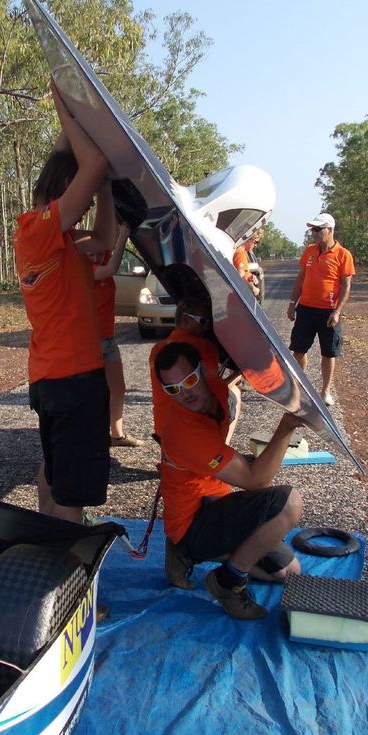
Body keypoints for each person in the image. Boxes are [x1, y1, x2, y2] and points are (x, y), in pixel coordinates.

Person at [14, 80, 115, 525]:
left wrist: (106, 187)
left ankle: (44, 539)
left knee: (54, 475)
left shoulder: (55, 242)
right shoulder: (37, 228)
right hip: (72, 381)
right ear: (63, 192)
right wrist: (63, 106)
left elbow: (107, 238)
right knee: (70, 495)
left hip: (56, 379)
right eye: (83, 195)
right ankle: (67, 578)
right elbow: (89, 163)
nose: (86, 202)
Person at [152, 340, 304, 621]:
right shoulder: (185, 432)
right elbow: (255, 480)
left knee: (288, 572)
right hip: (192, 521)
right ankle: (225, 581)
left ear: (202, 371)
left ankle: (223, 560)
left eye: (189, 380)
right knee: (289, 503)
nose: (184, 393)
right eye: (172, 389)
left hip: (215, 499)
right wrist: (286, 426)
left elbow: (247, 375)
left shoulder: (219, 390)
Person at [287, 212, 355, 407]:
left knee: (328, 353)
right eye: (312, 229)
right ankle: (300, 386)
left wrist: (337, 311)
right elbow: (300, 278)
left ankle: (325, 391)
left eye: (318, 229)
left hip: (329, 312)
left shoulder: (343, 255)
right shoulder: (309, 251)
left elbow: (346, 285)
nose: (314, 233)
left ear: (330, 230)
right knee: (298, 350)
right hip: (306, 309)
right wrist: (293, 302)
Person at [149, 296, 237, 440]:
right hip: (193, 430)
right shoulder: (204, 347)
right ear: (185, 319)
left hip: (163, 429)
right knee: (234, 393)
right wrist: (239, 374)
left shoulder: (157, 349)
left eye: (208, 322)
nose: (206, 327)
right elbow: (214, 389)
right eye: (203, 321)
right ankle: (221, 447)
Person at [89, 223, 143, 447]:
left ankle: (116, 434)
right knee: (92, 392)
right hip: (91, 342)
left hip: (107, 341)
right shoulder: (87, 271)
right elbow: (111, 268)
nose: (96, 255)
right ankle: (91, 435)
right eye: (90, 252)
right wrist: (124, 235)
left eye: (99, 251)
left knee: (118, 388)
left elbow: (105, 237)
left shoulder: (103, 258)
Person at [233, 230, 262, 298]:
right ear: (248, 239)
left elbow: (242, 273)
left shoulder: (239, 251)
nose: (255, 245)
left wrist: (250, 275)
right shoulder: (241, 254)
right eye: (255, 242)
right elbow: (240, 278)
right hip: (244, 295)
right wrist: (254, 289)